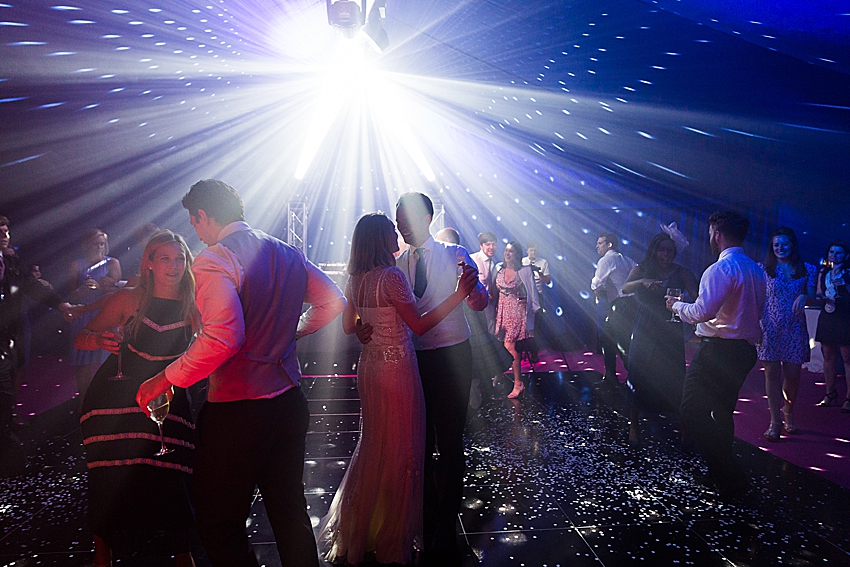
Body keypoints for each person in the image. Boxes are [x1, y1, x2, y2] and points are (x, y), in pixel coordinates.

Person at [135, 179, 346, 567]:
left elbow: (224, 337)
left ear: (204, 216)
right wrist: (292, 330)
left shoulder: (215, 258)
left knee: (219, 524)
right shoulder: (287, 252)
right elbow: (334, 300)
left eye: (194, 222)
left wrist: (165, 377)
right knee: (289, 515)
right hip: (287, 402)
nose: (195, 232)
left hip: (238, 412)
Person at [318, 214, 477, 565]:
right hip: (397, 369)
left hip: (370, 369)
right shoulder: (392, 275)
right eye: (391, 229)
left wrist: (364, 327)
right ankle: (396, 528)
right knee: (404, 448)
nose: (397, 232)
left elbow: (348, 326)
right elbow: (419, 325)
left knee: (376, 443)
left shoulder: (356, 277)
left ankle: (369, 525)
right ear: (380, 238)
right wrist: (458, 295)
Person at [358, 192, 488, 566]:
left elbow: (478, 302)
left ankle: (445, 527)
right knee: (417, 441)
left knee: (450, 442)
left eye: (406, 218)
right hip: (411, 359)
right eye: (397, 220)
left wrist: (475, 293)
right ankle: (424, 518)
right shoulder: (394, 264)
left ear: (427, 217)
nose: (400, 226)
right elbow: (368, 311)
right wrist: (360, 327)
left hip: (452, 357)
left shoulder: (454, 253)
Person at [76, 230, 200, 567]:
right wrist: (98, 341)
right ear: (150, 264)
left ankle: (182, 555)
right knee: (110, 479)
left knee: (172, 481)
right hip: (115, 399)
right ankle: (103, 557)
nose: (173, 267)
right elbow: (81, 339)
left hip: (168, 396)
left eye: (179, 259)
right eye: (165, 259)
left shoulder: (195, 304)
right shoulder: (129, 299)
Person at [667, 211, 766, 500]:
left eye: (712, 233)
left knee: (691, 410)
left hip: (718, 351)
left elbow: (702, 312)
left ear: (718, 235)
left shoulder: (720, 270)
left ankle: (729, 475)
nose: (710, 238)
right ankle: (720, 476)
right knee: (721, 412)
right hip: (743, 351)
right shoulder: (756, 269)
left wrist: (676, 306)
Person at [0, 216, 73, 475]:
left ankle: (7, 446)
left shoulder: (10, 263)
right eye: (0, 230)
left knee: (6, 391)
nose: (5, 234)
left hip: (6, 339)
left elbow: (33, 287)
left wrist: (62, 304)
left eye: (7, 230)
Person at [621, 232, 698, 446]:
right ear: (654, 250)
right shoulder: (641, 268)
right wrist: (642, 282)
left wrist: (690, 311)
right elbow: (625, 288)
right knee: (638, 373)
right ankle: (634, 425)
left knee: (673, 376)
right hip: (645, 325)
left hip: (670, 328)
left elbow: (698, 298)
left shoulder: (682, 272)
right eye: (662, 249)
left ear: (675, 252)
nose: (665, 254)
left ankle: (684, 428)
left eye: (670, 250)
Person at [757, 227, 817, 441]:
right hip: (770, 327)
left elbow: (812, 296)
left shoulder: (807, 268)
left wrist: (805, 297)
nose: (780, 248)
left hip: (794, 328)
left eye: (784, 244)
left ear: (792, 245)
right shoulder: (763, 269)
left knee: (792, 376)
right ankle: (774, 420)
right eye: (776, 245)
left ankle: (788, 412)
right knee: (771, 374)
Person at [68, 228, 122, 402]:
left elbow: (119, 290)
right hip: (83, 314)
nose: (99, 247)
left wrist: (102, 287)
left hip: (106, 313)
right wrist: (81, 291)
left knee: (106, 357)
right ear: (86, 245)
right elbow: (71, 294)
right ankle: (84, 400)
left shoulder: (112, 262)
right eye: (95, 244)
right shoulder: (76, 265)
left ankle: (106, 398)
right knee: (82, 360)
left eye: (102, 244)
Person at [494, 241, 540, 399]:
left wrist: (534, 311)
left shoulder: (524, 270)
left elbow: (532, 291)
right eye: (506, 250)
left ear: (518, 254)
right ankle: (500, 376)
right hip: (502, 311)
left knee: (511, 347)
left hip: (517, 312)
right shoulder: (499, 268)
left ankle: (518, 383)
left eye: (511, 251)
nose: (507, 254)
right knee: (503, 346)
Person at [591, 232, 636, 381]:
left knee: (619, 342)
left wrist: (599, 290)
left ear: (609, 244)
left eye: (600, 243)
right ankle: (612, 375)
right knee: (611, 339)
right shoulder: (627, 260)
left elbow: (596, 283)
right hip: (631, 304)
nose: (597, 246)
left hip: (620, 305)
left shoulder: (607, 260)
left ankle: (636, 376)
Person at [813, 240, 850, 413]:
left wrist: (845, 285)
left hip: (845, 316)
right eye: (832, 252)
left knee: (847, 358)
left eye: (839, 252)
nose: (834, 255)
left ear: (846, 255)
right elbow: (819, 292)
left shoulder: (848, 272)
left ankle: (849, 397)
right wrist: (821, 298)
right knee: (828, 355)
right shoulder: (824, 271)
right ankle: (830, 393)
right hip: (828, 314)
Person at [523, 240, 551, 361]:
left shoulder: (543, 262)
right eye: (531, 250)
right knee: (524, 324)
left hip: (538, 295)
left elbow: (548, 281)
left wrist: (538, 272)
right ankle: (525, 350)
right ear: (527, 250)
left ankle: (535, 352)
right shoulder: (522, 261)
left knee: (537, 325)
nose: (533, 252)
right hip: (525, 295)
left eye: (535, 250)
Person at [470, 231, 498, 333]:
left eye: (493, 244)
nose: (491, 247)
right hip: (476, 305)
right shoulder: (473, 259)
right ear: (481, 246)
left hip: (489, 304)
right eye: (488, 244)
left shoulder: (493, 262)